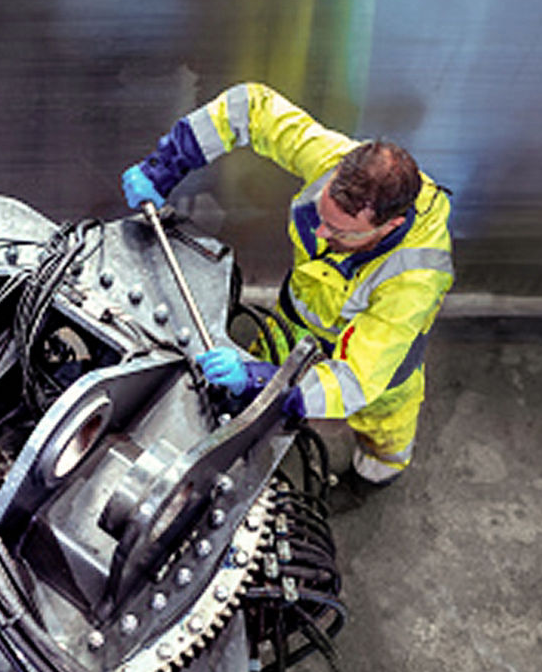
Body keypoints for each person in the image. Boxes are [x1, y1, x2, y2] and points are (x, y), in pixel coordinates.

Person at [122, 82, 454, 488]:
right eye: (323, 214)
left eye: (342, 232)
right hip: (297, 317)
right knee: (254, 383)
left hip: (378, 370)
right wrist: (164, 166)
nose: (324, 232)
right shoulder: (332, 161)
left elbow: (357, 381)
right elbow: (248, 107)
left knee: (384, 428)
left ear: (391, 226)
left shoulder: (414, 279)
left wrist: (260, 379)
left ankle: (380, 470)